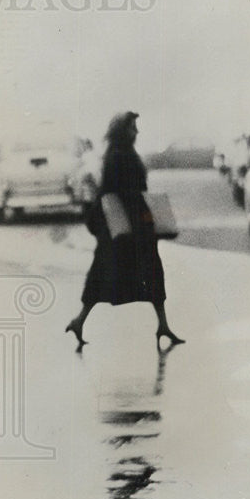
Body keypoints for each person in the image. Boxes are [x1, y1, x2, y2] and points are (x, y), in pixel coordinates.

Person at [66, 111, 184, 351]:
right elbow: (125, 193)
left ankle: (81, 321)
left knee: (106, 274)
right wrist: (147, 217)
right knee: (146, 273)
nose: (137, 132)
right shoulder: (122, 157)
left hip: (121, 228)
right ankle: (161, 326)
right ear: (123, 131)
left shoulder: (118, 155)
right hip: (129, 227)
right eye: (133, 127)